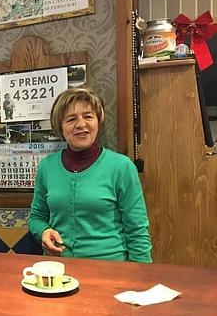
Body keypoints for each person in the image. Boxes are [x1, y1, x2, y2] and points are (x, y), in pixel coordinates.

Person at [28, 88, 152, 263]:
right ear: (60, 127)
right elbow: (37, 217)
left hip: (110, 270)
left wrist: (142, 277)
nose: (81, 124)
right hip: (57, 270)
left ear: (98, 121)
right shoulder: (47, 167)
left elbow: (137, 230)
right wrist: (43, 231)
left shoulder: (122, 167)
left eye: (88, 116)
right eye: (71, 119)